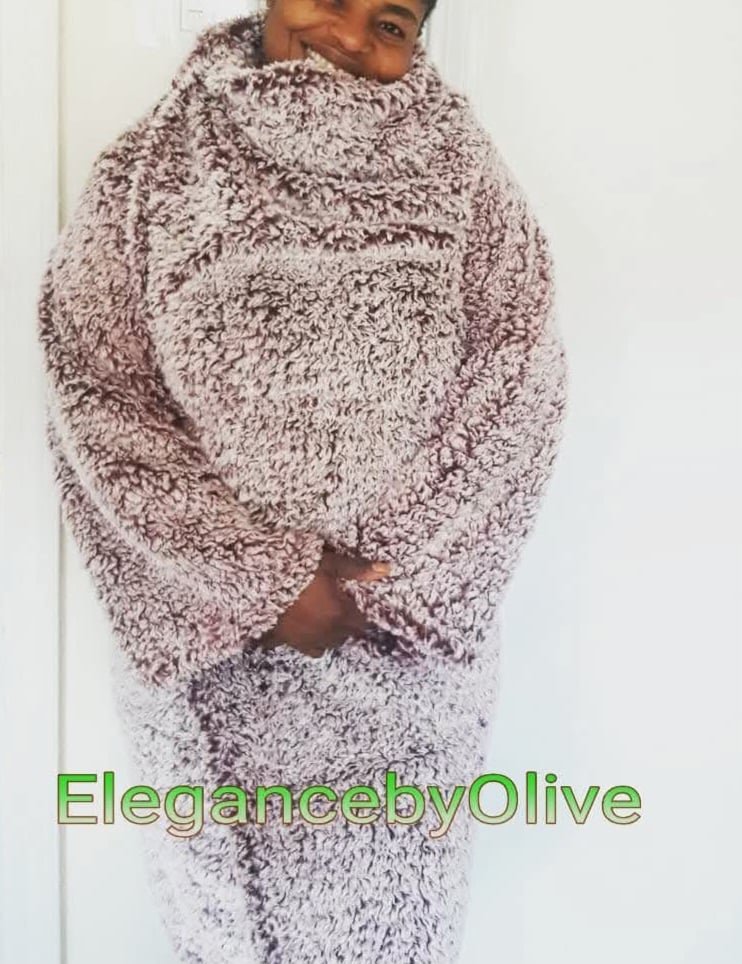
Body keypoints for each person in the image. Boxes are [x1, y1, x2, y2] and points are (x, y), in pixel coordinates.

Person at [37, 1, 568, 961]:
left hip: (400, 667)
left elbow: (518, 378)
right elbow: (96, 387)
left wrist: (388, 587)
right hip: (216, 669)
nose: (350, 36)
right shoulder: (149, 170)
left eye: (390, 22)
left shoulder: (460, 168)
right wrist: (261, 582)